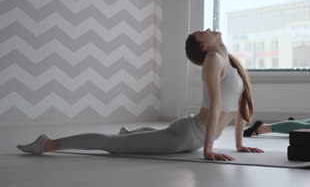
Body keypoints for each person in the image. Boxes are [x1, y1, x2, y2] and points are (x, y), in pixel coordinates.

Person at [17, 29, 263, 160]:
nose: (207, 29)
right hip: (188, 136)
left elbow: (239, 104)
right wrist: (208, 149)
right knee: (112, 145)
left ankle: (131, 134)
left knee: (154, 136)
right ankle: (47, 143)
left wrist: (240, 144)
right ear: (204, 46)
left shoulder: (231, 64)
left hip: (192, 138)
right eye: (202, 32)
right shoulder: (213, 59)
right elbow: (217, 104)